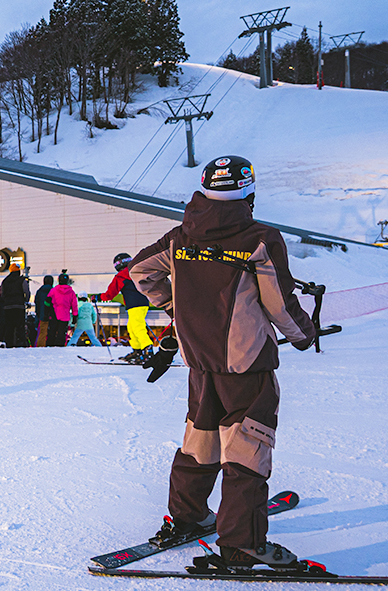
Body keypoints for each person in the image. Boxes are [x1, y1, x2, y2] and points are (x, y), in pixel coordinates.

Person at [130, 155, 317, 568]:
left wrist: (174, 307)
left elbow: (141, 272)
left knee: (200, 440)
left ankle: (189, 515)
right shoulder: (259, 238)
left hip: (200, 361)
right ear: (249, 191)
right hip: (246, 363)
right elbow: (280, 304)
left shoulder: (181, 237)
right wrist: (304, 336)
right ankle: (241, 542)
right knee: (248, 446)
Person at [100, 252, 156, 363]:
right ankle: (137, 350)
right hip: (142, 304)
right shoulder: (137, 272)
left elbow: (111, 293)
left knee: (137, 327)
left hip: (135, 305)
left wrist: (99, 297)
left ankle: (148, 350)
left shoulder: (121, 276)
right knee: (132, 327)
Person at [0, 264, 30, 347]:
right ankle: (21, 343)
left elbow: (2, 293)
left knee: (9, 327)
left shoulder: (5, 281)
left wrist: (6, 301)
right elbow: (27, 291)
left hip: (8, 307)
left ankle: (9, 344)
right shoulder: (22, 280)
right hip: (19, 306)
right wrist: (26, 300)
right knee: (20, 326)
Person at [47, 271, 78, 346]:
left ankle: (50, 346)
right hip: (65, 316)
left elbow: (47, 301)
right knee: (61, 333)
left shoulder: (53, 290)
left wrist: (47, 312)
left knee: (52, 332)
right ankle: (60, 347)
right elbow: (74, 305)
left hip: (54, 314)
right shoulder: (71, 292)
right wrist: (74, 316)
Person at [33, 274, 54, 347]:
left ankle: (41, 345)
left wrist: (38, 314)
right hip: (53, 315)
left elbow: (37, 302)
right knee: (52, 332)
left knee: (42, 332)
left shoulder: (39, 291)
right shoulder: (54, 290)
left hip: (42, 314)